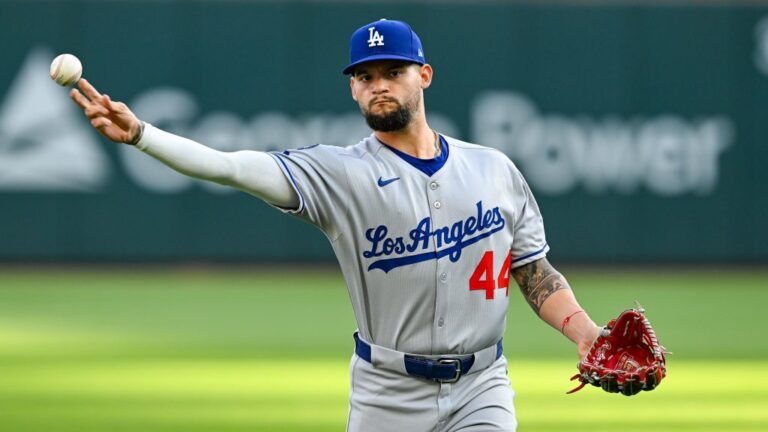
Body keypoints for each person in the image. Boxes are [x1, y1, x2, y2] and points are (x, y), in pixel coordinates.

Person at [70, 18, 601, 432]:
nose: (378, 86)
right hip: (387, 394)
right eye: (365, 77)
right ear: (352, 89)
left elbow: (532, 269)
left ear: (425, 75)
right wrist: (142, 134)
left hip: (482, 384)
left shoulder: (493, 169)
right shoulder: (338, 173)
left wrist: (585, 333)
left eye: (393, 72)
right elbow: (228, 166)